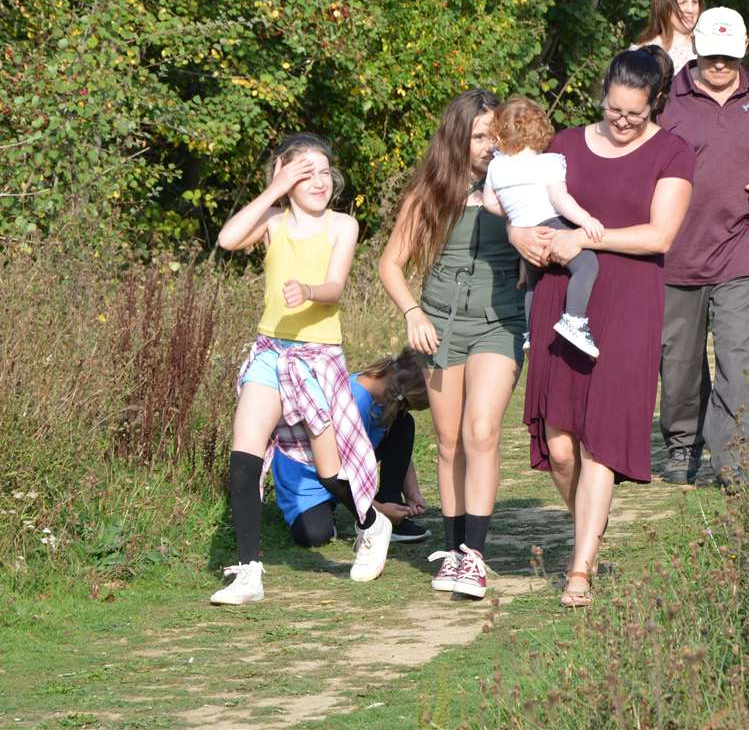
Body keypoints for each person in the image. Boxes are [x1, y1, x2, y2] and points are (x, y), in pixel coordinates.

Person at [509, 48, 695, 608]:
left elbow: (659, 236)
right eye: (614, 109)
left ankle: (580, 567)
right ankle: (589, 525)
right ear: (604, 95)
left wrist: (585, 238)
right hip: (559, 297)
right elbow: (520, 199)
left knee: (600, 443)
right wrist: (522, 238)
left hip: (629, 305)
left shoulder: (673, 153)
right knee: (561, 448)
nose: (621, 121)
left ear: (655, 103)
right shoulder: (563, 144)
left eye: (634, 114)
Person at [212, 134, 384, 606]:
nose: (319, 180)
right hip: (270, 353)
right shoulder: (271, 222)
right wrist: (273, 190)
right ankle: (249, 573)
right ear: (284, 177)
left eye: (325, 171)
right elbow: (227, 239)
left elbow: (334, 287)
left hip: (317, 357)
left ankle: (372, 524)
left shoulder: (342, 225)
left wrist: (307, 291)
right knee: (243, 458)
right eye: (304, 172)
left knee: (329, 470)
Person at [378, 89, 524, 600]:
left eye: (494, 135)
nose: (487, 145)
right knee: (448, 440)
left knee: (481, 431)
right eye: (478, 136)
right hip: (440, 325)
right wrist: (413, 313)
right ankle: (455, 543)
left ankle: (474, 557)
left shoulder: (516, 184)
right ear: (457, 139)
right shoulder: (430, 192)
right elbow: (391, 263)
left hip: (499, 321)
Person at [658, 8, 749, 488]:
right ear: (696, 50)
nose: (720, 65)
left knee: (738, 358)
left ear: (742, 51)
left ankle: (733, 458)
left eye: (728, 57)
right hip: (675, 253)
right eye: (711, 56)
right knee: (678, 363)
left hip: (741, 248)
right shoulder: (666, 98)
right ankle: (682, 447)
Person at [483, 97, 605, 358]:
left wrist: (515, 210)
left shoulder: (496, 166)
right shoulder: (547, 163)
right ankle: (574, 319)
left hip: (522, 231)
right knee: (587, 266)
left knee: (531, 285)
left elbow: (490, 203)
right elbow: (561, 200)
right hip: (550, 226)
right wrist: (586, 221)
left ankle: (529, 332)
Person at [273, 348, 432, 549]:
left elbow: (394, 442)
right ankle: (375, 517)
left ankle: (391, 508)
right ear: (401, 396)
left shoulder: (381, 391)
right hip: (312, 479)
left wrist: (412, 492)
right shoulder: (355, 405)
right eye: (406, 406)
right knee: (313, 535)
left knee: (403, 423)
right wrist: (378, 511)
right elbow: (333, 476)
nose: (403, 410)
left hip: (341, 470)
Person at [632, 0, 704, 74]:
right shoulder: (642, 54)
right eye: (683, 2)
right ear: (665, 6)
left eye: (694, 2)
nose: (690, 9)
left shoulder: (707, 49)